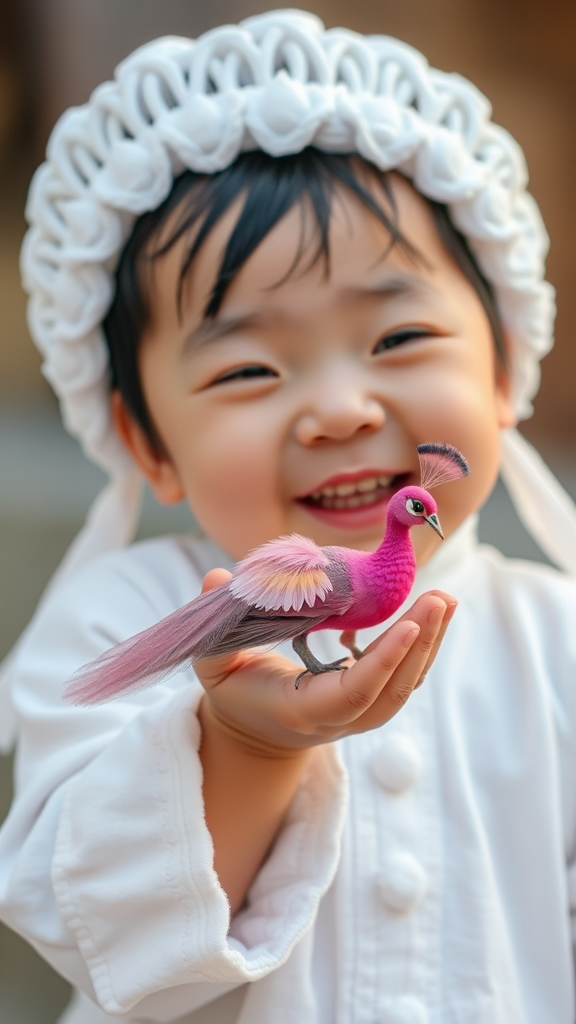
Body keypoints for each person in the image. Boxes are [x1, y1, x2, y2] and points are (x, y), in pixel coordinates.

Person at [1, 10, 576, 1023]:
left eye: (399, 335)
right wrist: (247, 745)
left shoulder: (557, 643)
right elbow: (100, 928)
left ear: (504, 370)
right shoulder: (119, 614)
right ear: (147, 443)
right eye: (249, 367)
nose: (342, 409)